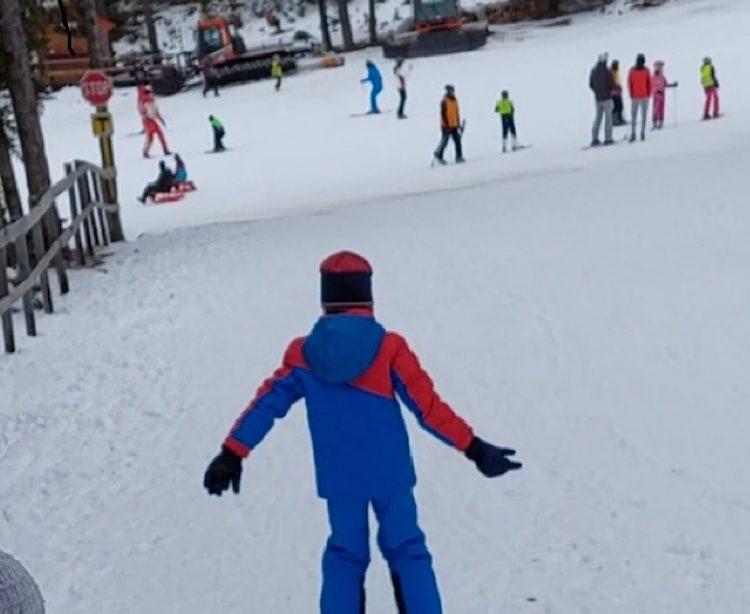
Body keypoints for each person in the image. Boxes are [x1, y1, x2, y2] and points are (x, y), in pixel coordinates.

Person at [203, 251, 522, 614]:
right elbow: (428, 408)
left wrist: (232, 453)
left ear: (325, 297)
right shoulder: (390, 348)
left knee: (345, 555)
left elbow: (267, 404)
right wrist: (474, 448)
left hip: (340, 479)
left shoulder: (303, 354)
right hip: (390, 474)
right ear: (367, 296)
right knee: (408, 551)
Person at [588, 53, 615, 146]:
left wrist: (597, 91)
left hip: (598, 98)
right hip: (607, 98)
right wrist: (610, 90)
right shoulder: (607, 71)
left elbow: (591, 84)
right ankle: (608, 138)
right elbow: (612, 84)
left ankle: (594, 138)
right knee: (608, 119)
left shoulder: (593, 71)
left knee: (598, 118)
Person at [434, 85, 463, 165]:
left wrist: (458, 123)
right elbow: (443, 114)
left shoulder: (455, 100)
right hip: (446, 126)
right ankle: (439, 155)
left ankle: (459, 156)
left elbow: (456, 112)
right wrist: (447, 125)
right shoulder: (444, 101)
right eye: (450, 91)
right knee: (445, 141)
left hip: (454, 125)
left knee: (457, 141)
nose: (452, 92)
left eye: (453, 91)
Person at [626, 54, 651, 142]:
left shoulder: (632, 70)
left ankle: (633, 133)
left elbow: (629, 83)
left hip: (635, 96)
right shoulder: (646, 70)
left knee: (634, 116)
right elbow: (649, 83)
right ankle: (642, 133)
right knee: (643, 116)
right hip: (644, 96)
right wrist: (648, 93)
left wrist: (631, 94)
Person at [141, 90, 170, 158]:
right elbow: (147, 113)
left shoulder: (151, 102)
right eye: (151, 94)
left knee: (155, 136)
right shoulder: (147, 102)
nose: (152, 95)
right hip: (149, 121)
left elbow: (156, 112)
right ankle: (164, 150)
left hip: (151, 121)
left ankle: (146, 151)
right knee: (152, 136)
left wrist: (161, 119)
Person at [650, 60, 676, 130]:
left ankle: (660, 122)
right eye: (659, 67)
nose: (661, 69)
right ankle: (655, 122)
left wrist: (672, 85)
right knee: (655, 109)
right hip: (656, 95)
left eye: (661, 67)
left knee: (661, 109)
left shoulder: (662, 76)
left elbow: (665, 84)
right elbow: (652, 86)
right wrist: (657, 91)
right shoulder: (653, 77)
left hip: (662, 96)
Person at [611, 59, 626, 127]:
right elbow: (612, 83)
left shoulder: (617, 72)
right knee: (616, 106)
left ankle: (620, 118)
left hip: (618, 92)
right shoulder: (612, 72)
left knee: (620, 106)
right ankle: (614, 120)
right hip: (613, 93)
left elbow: (618, 81)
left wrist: (620, 87)